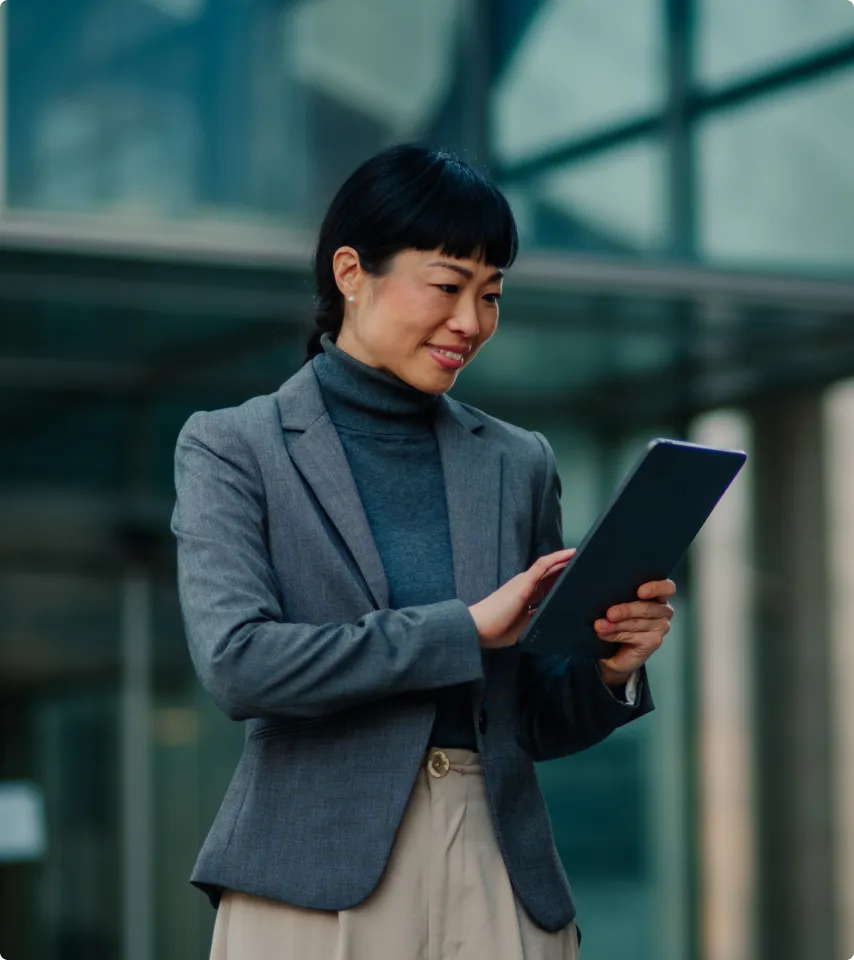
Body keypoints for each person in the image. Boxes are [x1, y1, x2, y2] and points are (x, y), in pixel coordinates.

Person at [172, 143, 674, 960]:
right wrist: (463, 630)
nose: (470, 322)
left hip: (497, 866)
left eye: (491, 295)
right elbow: (239, 663)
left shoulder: (519, 462)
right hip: (312, 878)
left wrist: (610, 666)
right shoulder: (235, 447)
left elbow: (531, 717)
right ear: (350, 271)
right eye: (447, 286)